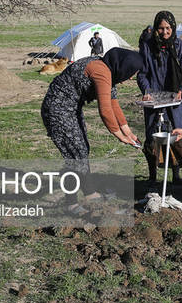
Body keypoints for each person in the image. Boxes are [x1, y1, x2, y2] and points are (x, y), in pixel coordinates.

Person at [41, 47, 142, 214]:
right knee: (75, 154)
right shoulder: (101, 71)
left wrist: (127, 131)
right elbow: (105, 110)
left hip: (71, 109)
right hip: (57, 109)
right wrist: (119, 135)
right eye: (131, 72)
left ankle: (89, 193)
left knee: (81, 150)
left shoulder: (107, 69)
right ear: (123, 66)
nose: (130, 77)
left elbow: (113, 103)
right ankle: (71, 203)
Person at [138, 10, 182, 185]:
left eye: (168, 28)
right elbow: (142, 73)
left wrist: (180, 91)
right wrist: (146, 90)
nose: (164, 32)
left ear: (173, 27)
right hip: (153, 97)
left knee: (175, 136)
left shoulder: (180, 47)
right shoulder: (148, 47)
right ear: (155, 28)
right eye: (160, 28)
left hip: (174, 98)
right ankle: (152, 176)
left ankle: (175, 176)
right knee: (152, 137)